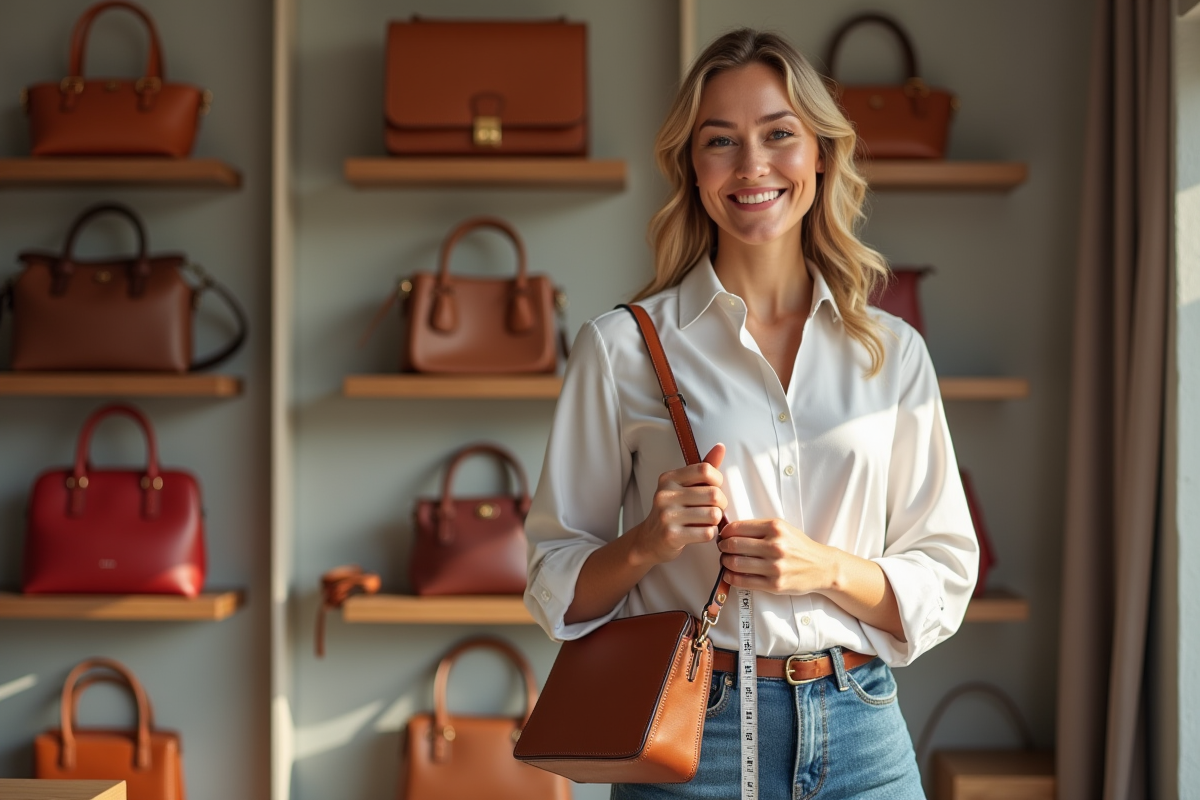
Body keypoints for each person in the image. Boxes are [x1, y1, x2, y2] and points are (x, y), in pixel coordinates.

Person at [523, 28, 978, 800]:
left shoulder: (892, 353)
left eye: (779, 135)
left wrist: (826, 568)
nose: (752, 166)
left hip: (862, 732)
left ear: (821, 154)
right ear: (692, 170)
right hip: (691, 736)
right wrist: (648, 544)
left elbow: (945, 571)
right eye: (720, 142)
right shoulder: (621, 350)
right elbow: (552, 582)